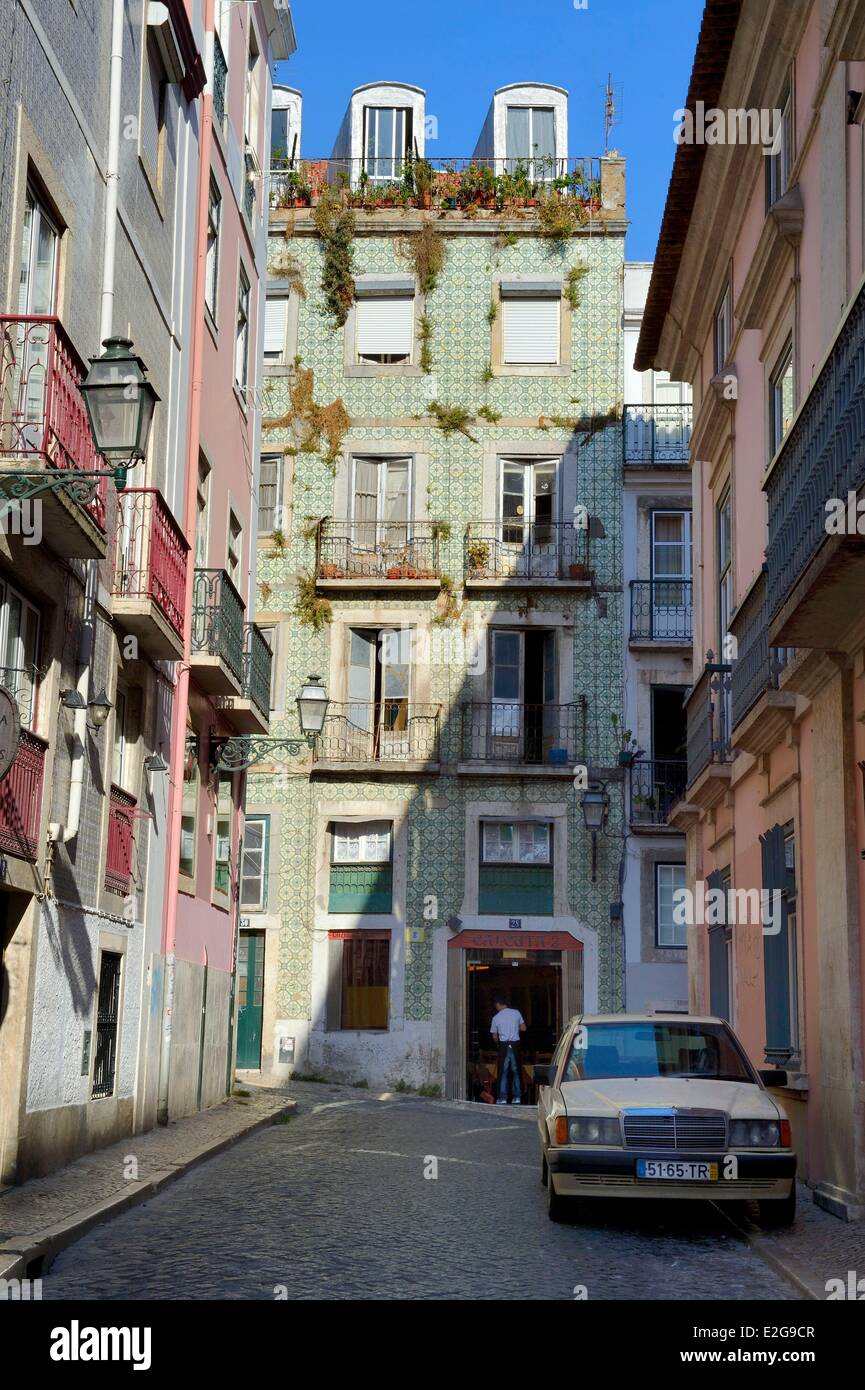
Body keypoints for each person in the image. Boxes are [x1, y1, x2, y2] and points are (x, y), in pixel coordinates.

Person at [490, 994, 526, 1104]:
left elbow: (495, 1036)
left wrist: (498, 1044)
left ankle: (503, 1097)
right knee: (516, 1071)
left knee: (503, 1071)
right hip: (515, 1045)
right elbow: (524, 1028)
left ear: (497, 1004)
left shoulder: (496, 1018)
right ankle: (517, 1097)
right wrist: (515, 1028)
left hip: (503, 1046)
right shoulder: (516, 1013)